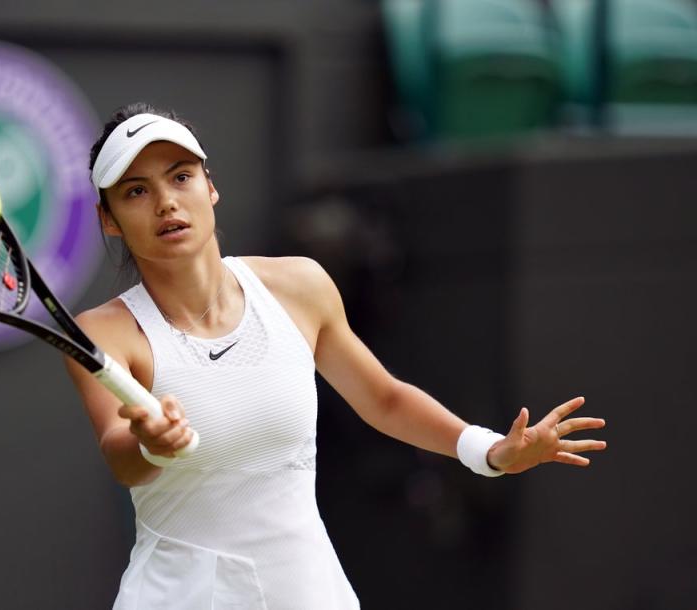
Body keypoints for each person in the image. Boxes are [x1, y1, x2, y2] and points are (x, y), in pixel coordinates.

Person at [64, 103, 607, 609]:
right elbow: (121, 456)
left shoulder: (299, 285)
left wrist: (489, 451)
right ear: (109, 219)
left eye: (181, 177)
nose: (166, 202)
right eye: (136, 191)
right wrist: (150, 444)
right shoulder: (103, 333)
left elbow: (383, 398)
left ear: (210, 187)